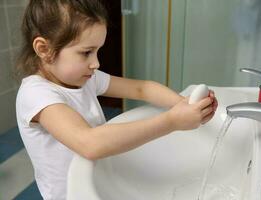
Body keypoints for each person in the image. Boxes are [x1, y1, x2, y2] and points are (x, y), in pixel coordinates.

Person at [15, 0, 218, 199]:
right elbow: (89, 143)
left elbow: (141, 89)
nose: (95, 63)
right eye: (86, 53)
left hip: (95, 179)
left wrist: (183, 104)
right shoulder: (36, 94)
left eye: (97, 51)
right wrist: (173, 121)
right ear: (44, 49)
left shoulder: (85, 79)